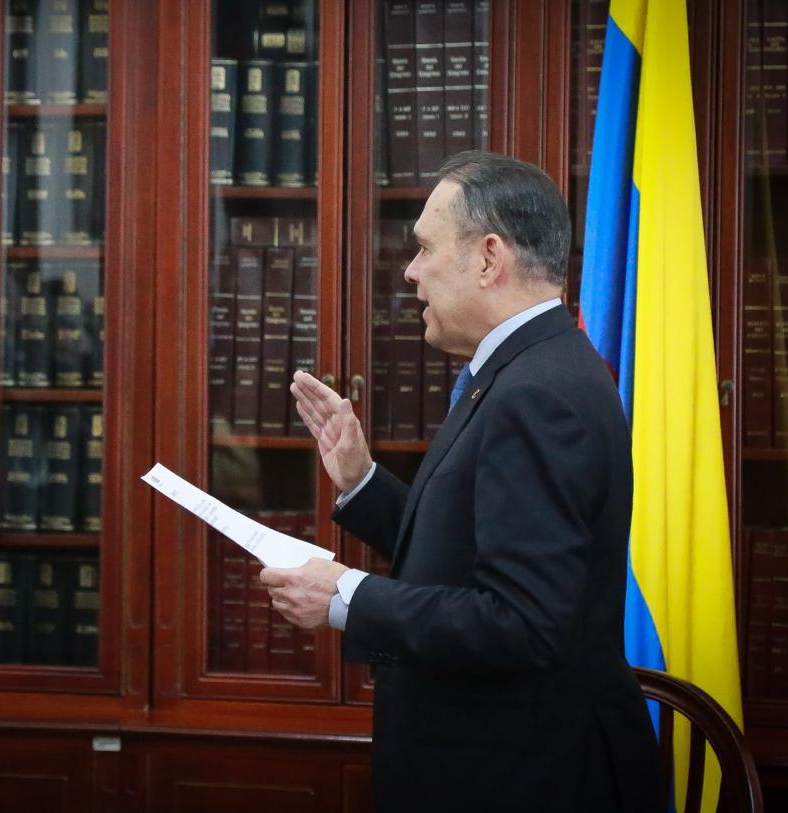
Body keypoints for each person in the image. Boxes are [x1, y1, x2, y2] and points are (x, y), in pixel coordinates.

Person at [261, 152, 663, 811]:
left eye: (423, 248)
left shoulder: (537, 392)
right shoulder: (522, 368)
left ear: (487, 257)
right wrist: (362, 480)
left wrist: (347, 595)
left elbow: (524, 622)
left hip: (525, 778)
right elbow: (469, 554)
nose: (411, 272)